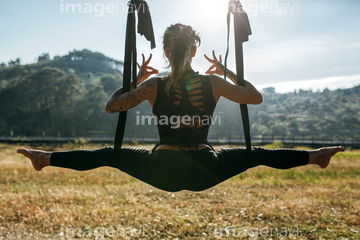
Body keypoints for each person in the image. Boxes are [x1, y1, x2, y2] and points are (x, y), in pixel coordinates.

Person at [17, 23, 344, 192]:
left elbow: (111, 107)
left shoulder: (152, 86)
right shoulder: (212, 83)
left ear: (165, 50)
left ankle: (45, 159)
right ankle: (315, 157)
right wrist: (227, 71)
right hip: (207, 166)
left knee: (109, 154)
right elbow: (254, 97)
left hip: (163, 167)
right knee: (255, 153)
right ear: (195, 48)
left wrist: (134, 78)